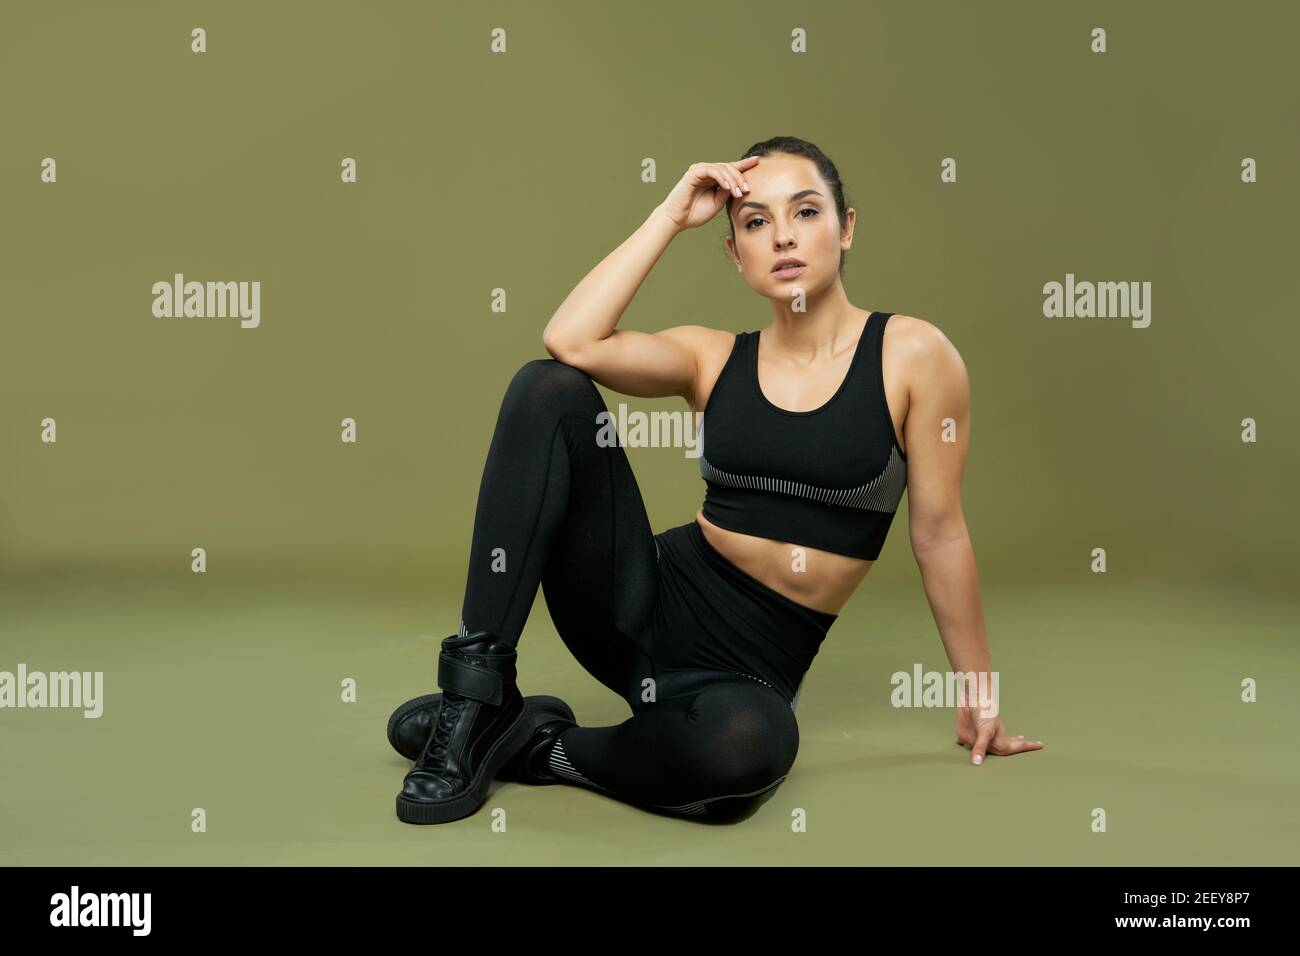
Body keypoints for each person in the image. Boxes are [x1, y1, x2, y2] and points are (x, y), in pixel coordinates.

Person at [392, 136, 1044, 826]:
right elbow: (571, 340)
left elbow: (940, 533)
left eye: (807, 212)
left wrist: (978, 689)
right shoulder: (713, 357)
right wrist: (671, 217)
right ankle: (474, 699)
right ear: (736, 253)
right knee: (546, 388)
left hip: (748, 671)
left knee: (746, 752)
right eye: (756, 222)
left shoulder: (913, 355)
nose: (783, 236)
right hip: (633, 604)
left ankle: (536, 745)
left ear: (846, 227)